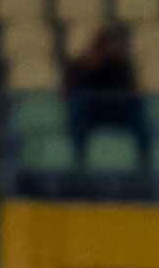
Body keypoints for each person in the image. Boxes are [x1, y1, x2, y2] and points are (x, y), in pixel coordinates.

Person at [63, 24, 149, 166]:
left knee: (140, 114)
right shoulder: (82, 63)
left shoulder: (122, 65)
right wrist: (93, 66)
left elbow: (131, 90)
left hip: (117, 110)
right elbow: (69, 90)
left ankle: (145, 160)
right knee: (78, 104)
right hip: (90, 112)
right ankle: (79, 157)